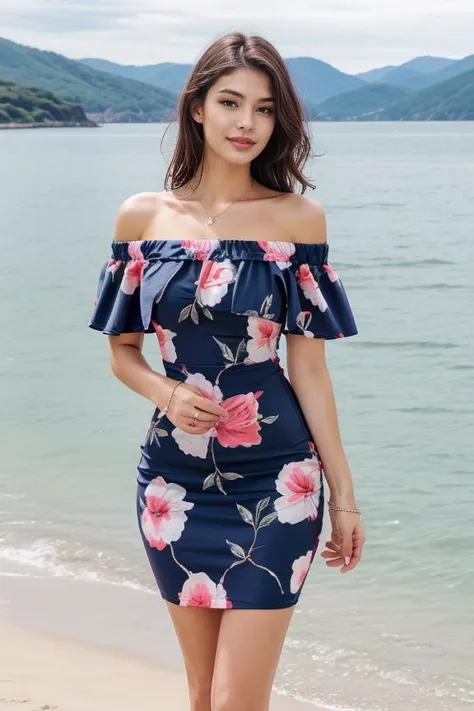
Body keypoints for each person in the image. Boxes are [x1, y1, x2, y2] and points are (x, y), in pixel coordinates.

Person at [89, 30, 365, 711]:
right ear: (197, 108)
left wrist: (345, 495)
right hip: (174, 479)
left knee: (239, 698)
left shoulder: (298, 218)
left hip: (280, 479)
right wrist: (166, 390)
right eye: (232, 102)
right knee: (203, 694)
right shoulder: (142, 217)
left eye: (266, 109)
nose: (248, 123)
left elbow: (310, 368)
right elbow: (122, 349)